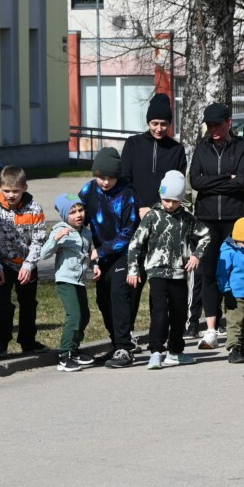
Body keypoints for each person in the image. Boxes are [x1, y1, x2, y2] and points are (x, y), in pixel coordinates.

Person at [188, 102, 244, 349]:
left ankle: (237, 325)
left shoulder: (242, 148)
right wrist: (227, 178)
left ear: (229, 122)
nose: (214, 129)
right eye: (210, 125)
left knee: (235, 273)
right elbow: (195, 181)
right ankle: (211, 329)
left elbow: (242, 182)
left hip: (234, 219)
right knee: (208, 274)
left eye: (218, 124)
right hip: (206, 220)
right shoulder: (201, 149)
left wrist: (213, 182)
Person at [127, 170, 208, 369]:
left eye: (174, 201)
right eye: (166, 200)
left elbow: (206, 235)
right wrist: (133, 269)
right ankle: (156, 351)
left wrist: (196, 255)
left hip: (179, 273)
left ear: (181, 200)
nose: (170, 205)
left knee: (179, 312)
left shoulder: (187, 219)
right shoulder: (152, 216)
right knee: (160, 311)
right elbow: (135, 244)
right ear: (160, 195)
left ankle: (175, 351)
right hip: (157, 272)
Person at [80, 147, 141, 367]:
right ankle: (116, 345)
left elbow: (128, 231)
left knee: (118, 296)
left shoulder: (127, 194)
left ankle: (125, 348)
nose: (105, 182)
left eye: (110, 178)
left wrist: (102, 251)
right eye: (101, 177)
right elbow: (78, 215)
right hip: (100, 256)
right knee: (103, 300)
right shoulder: (88, 190)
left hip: (123, 254)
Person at [0, 166, 48, 357]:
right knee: (3, 304)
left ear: (24, 188)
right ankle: (1, 342)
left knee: (28, 304)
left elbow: (39, 239)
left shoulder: (34, 208)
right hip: (3, 264)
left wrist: (29, 265)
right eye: (7, 191)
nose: (11, 195)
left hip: (27, 264)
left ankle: (28, 341)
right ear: (0, 187)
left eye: (16, 191)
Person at [36, 194, 98, 371]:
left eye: (80, 210)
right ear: (65, 216)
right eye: (72, 212)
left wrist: (94, 266)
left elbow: (86, 253)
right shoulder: (60, 230)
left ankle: (74, 349)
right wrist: (56, 238)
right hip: (65, 280)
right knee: (75, 315)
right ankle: (64, 355)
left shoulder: (86, 232)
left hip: (79, 280)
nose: (78, 215)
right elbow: (44, 253)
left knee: (84, 316)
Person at [120, 93, 187, 217]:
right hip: (135, 211)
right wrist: (138, 206)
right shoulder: (132, 144)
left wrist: (159, 209)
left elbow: (177, 184)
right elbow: (125, 179)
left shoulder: (177, 149)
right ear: (148, 122)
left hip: (165, 213)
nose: (159, 128)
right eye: (154, 123)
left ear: (170, 123)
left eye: (164, 124)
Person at [216, 218, 244, 363]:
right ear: (236, 238)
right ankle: (233, 349)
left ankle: (243, 348)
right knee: (235, 323)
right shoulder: (228, 251)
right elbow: (222, 273)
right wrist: (227, 292)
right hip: (235, 295)